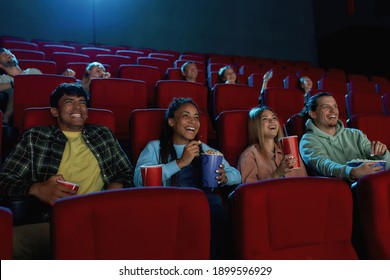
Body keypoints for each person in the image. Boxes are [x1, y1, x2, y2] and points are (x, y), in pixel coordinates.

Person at [0, 82, 134, 259]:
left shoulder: (103, 134)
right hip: (52, 223)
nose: (78, 107)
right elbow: (4, 180)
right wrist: (37, 189)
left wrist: (119, 184)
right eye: (69, 102)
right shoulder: (35, 136)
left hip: (102, 221)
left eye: (83, 102)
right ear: (54, 111)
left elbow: (129, 172)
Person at [134, 97, 241, 259]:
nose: (193, 121)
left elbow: (237, 175)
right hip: (168, 210)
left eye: (196, 117)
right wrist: (180, 162)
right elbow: (138, 180)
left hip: (206, 210)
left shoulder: (205, 149)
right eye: (186, 116)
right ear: (171, 121)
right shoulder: (155, 147)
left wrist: (225, 178)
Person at [299, 92, 390, 184]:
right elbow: (323, 165)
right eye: (326, 107)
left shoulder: (355, 134)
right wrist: (352, 172)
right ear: (313, 114)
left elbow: (386, 165)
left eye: (335, 106)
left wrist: (382, 153)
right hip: (339, 191)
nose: (333, 111)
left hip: (372, 185)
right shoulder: (308, 140)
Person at [0, 48, 75, 126]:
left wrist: (63, 77)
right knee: (16, 90)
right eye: (3, 54)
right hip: (22, 109)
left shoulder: (33, 71)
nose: (8, 54)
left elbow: (46, 87)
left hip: (44, 104)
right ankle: (6, 117)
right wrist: (14, 84)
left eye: (9, 52)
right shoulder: (2, 78)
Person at [238, 106, 307, 183]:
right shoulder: (249, 155)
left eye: (274, 118)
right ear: (256, 126)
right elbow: (249, 191)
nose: (272, 121)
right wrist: (277, 173)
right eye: (265, 119)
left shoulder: (291, 150)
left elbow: (304, 183)